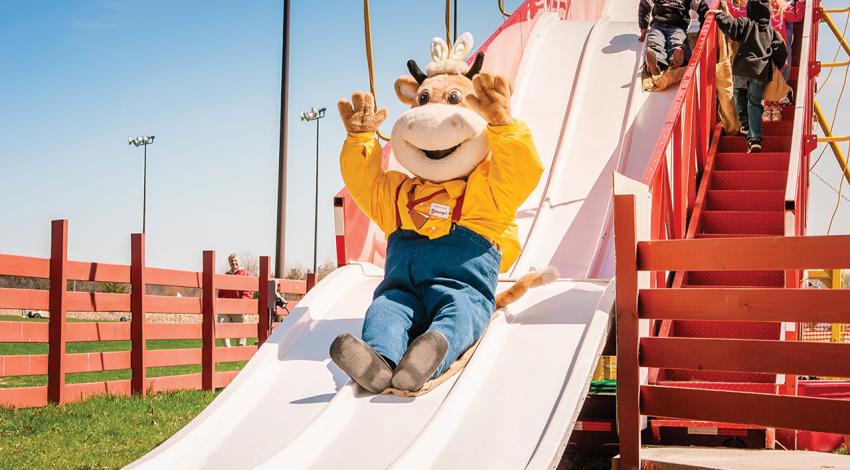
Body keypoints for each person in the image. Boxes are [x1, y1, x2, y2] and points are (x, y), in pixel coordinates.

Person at [712, 0, 788, 152]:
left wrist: (718, 15)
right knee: (754, 103)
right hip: (759, 72)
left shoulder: (745, 23)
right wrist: (777, 65)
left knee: (739, 93)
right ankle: (755, 139)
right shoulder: (771, 31)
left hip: (741, 68)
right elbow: (781, 52)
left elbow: (731, 28)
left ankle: (744, 122)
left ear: (750, 10)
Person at [727, 0, 791, 121]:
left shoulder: (780, 8)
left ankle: (775, 105)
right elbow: (736, 13)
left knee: (776, 77)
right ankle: (767, 106)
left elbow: (797, 16)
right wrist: (728, 3)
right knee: (766, 77)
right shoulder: (753, 10)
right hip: (763, 47)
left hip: (775, 46)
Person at [639, 0, 710, 75]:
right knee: (654, 41)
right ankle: (655, 63)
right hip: (657, 25)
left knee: (677, 41)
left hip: (677, 26)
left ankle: (676, 62)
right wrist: (643, 26)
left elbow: (702, 7)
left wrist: (703, 28)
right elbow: (645, 3)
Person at [218, 253, 252, 347]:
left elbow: (248, 291)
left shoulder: (245, 274)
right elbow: (221, 291)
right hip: (226, 307)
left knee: (240, 330)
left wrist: (242, 303)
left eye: (235, 260)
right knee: (222, 325)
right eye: (231, 261)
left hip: (239, 306)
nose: (234, 262)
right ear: (229, 262)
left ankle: (240, 349)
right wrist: (221, 302)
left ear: (239, 261)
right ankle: (227, 348)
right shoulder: (226, 275)